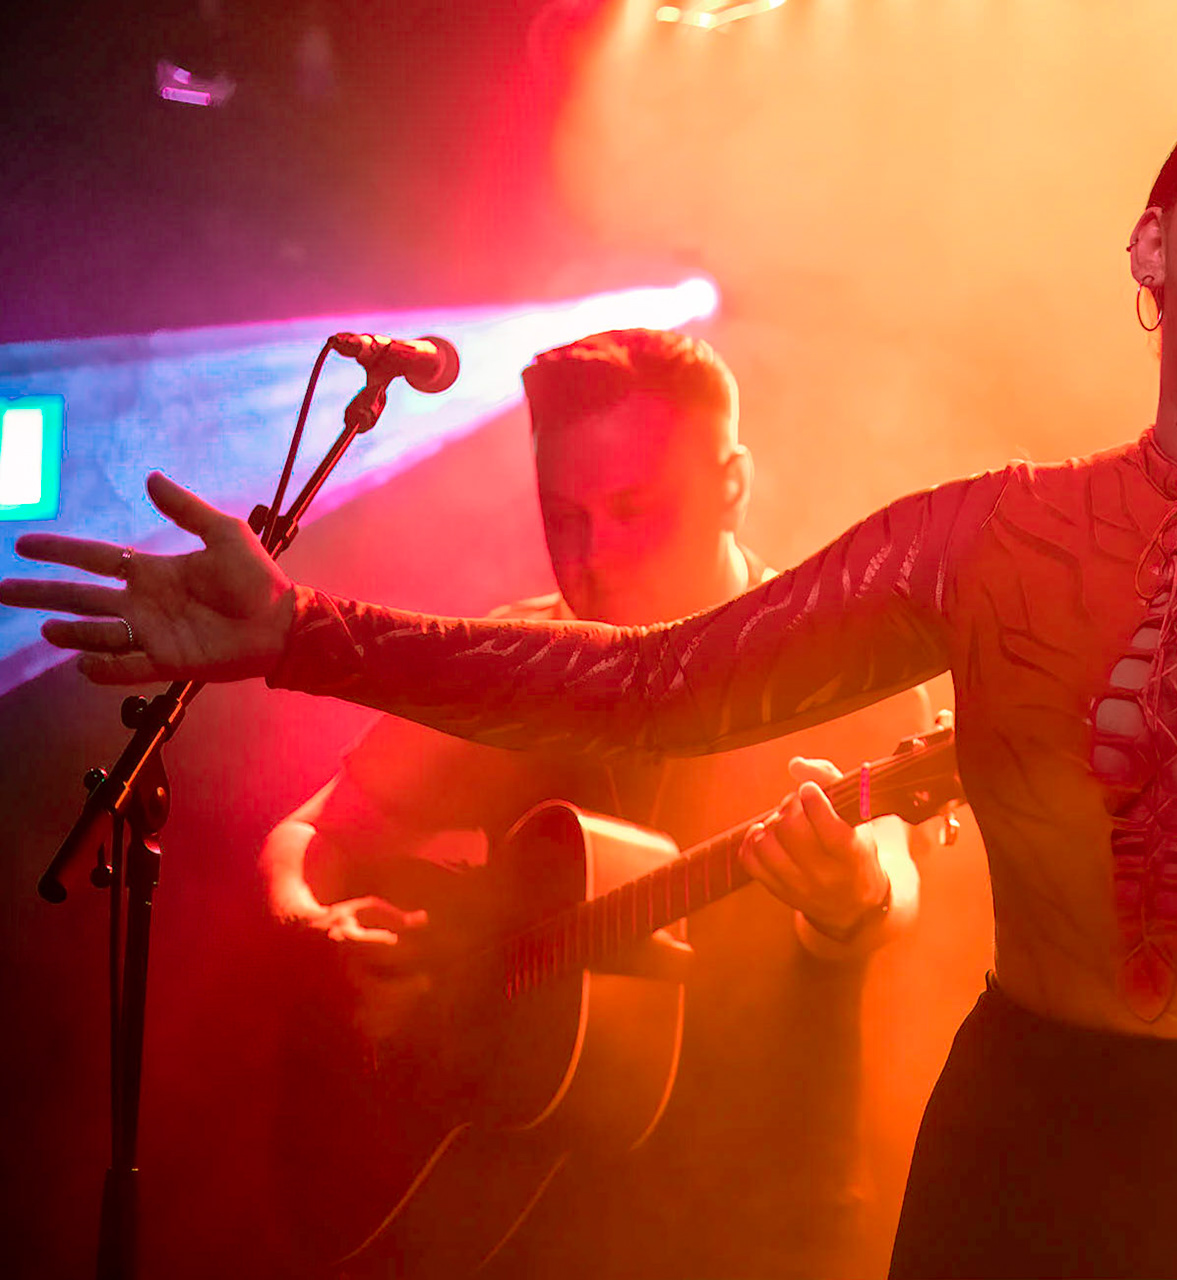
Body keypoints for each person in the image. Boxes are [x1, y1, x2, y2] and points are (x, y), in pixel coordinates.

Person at [4, 82, 1177, 1278]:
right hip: (1029, 1145)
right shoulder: (990, 539)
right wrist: (304, 632)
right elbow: (651, 686)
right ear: (1151, 248)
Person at [258, 327, 937, 1278]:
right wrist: (315, 933)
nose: (594, 556)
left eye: (634, 508)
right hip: (518, 1222)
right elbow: (316, 831)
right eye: (562, 514)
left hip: (764, 1232)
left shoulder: (842, 666)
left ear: (732, 483)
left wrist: (853, 897)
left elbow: (891, 885)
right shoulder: (512, 661)